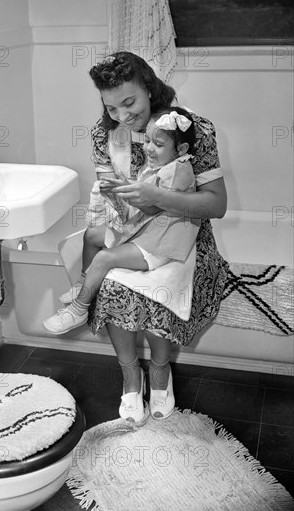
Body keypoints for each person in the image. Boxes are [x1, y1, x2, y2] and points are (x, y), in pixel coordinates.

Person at [66, 52, 229, 424]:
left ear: (150, 89)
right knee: (107, 282)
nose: (122, 116)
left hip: (183, 237)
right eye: (112, 107)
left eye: (129, 103)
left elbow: (216, 205)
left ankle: (159, 369)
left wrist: (156, 197)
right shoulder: (104, 133)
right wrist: (118, 208)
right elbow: (107, 197)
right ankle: (129, 373)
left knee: (154, 286)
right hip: (127, 233)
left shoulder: (191, 129)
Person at [43, 107, 199, 340]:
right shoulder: (157, 166)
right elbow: (142, 201)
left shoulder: (178, 171)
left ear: (182, 149)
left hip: (160, 244)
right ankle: (85, 281)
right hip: (147, 231)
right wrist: (120, 187)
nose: (148, 148)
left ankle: (78, 309)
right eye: (147, 140)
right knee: (92, 235)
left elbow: (153, 206)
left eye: (158, 144)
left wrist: (123, 190)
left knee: (104, 258)